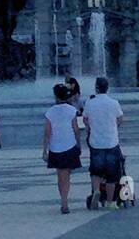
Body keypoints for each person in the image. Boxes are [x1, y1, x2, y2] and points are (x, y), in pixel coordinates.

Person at [83, 77, 124, 211]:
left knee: (96, 170)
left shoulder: (90, 103)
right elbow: (120, 119)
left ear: (96, 88)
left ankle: (96, 190)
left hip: (96, 142)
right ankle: (110, 201)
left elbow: (85, 119)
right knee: (112, 174)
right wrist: (113, 127)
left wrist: (90, 129)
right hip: (111, 141)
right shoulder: (114, 103)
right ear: (107, 88)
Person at [42, 83, 81, 215]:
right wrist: (78, 144)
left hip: (55, 147)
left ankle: (63, 201)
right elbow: (76, 129)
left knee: (61, 175)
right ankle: (65, 201)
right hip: (69, 145)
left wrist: (44, 149)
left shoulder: (50, 112)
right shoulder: (71, 110)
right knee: (66, 175)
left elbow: (47, 131)